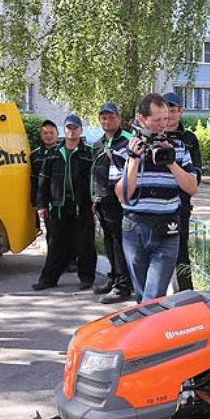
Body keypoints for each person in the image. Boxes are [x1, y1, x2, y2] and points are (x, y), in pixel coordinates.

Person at [110, 93, 197, 303]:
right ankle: (146, 332)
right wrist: (134, 160)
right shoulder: (122, 150)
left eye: (165, 119)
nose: (162, 125)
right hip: (135, 228)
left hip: (168, 229)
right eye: (157, 120)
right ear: (142, 119)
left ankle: (146, 329)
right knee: (142, 296)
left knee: (153, 296)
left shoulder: (178, 148)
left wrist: (170, 162)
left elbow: (191, 188)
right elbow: (123, 196)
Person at [32, 114, 96, 291]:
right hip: (58, 206)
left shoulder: (88, 152)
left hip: (82, 205)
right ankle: (48, 279)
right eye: (68, 128)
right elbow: (43, 180)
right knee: (56, 245)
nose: (71, 131)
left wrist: (95, 199)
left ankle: (86, 278)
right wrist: (41, 205)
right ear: (64, 130)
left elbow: (95, 179)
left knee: (85, 244)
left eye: (75, 128)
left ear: (80, 130)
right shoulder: (53, 153)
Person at [90, 102, 133, 303]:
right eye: (104, 118)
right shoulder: (98, 144)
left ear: (119, 118)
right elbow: (94, 173)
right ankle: (114, 277)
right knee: (109, 241)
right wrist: (94, 197)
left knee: (118, 242)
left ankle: (123, 286)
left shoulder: (127, 140)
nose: (107, 121)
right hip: (102, 200)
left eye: (111, 117)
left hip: (118, 200)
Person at [162, 91, 202, 292]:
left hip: (180, 206)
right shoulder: (153, 135)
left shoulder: (189, 139)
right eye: (165, 109)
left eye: (173, 109)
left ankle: (185, 293)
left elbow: (196, 175)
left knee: (180, 253)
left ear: (180, 111)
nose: (169, 115)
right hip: (156, 206)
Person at [31, 119, 61, 245]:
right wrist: (37, 203)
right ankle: (52, 261)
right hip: (44, 201)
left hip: (60, 200)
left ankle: (70, 262)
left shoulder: (63, 152)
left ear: (57, 134)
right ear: (41, 135)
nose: (48, 136)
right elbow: (33, 180)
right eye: (45, 133)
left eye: (51, 133)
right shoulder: (34, 155)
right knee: (52, 233)